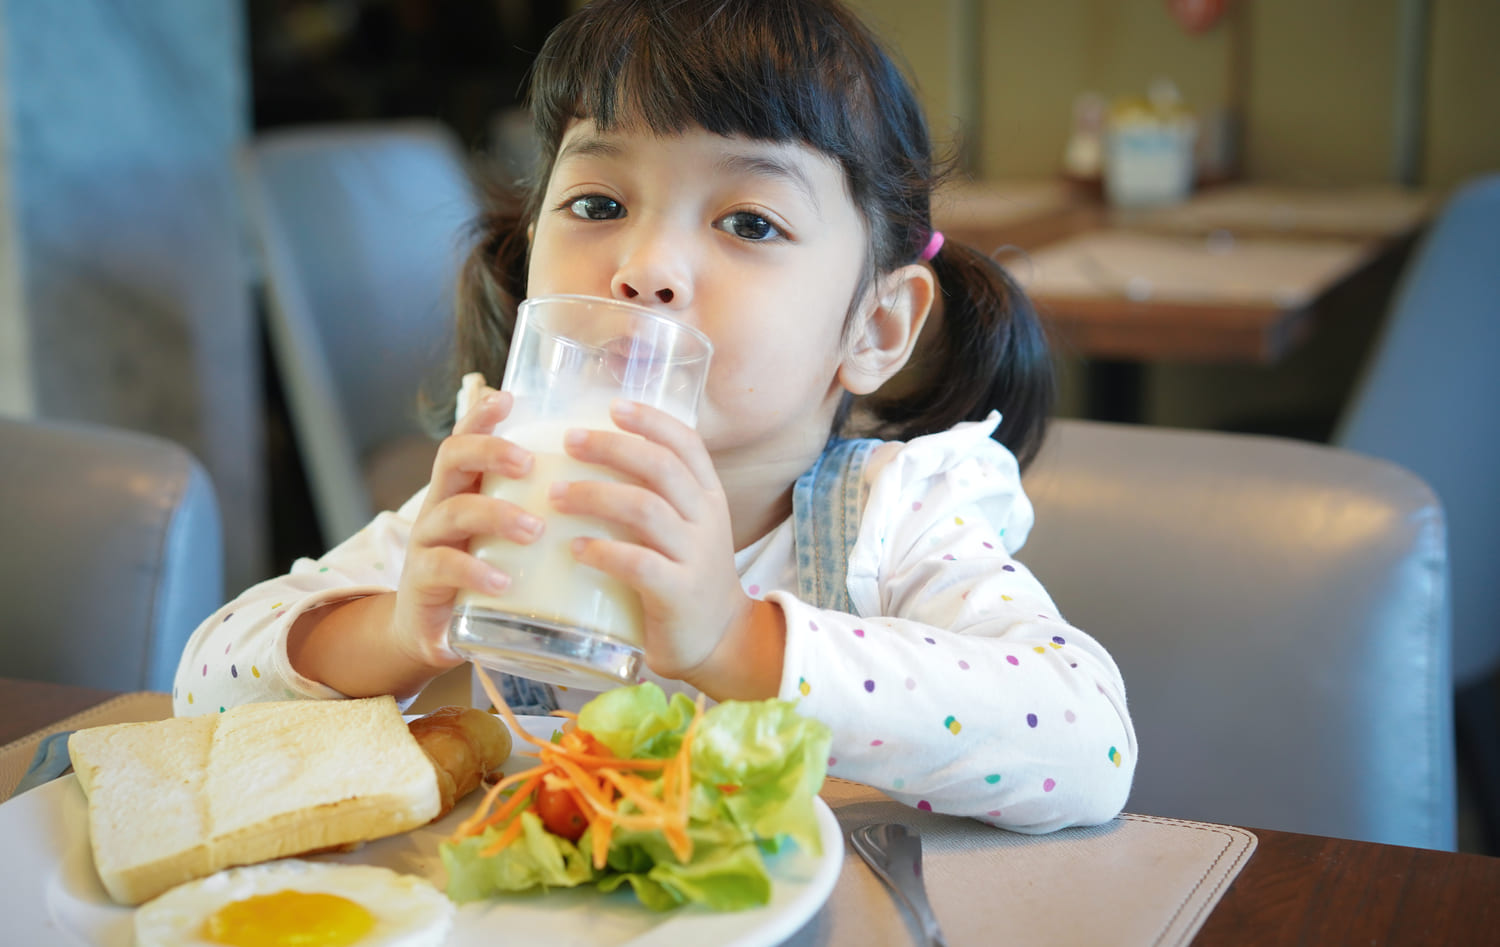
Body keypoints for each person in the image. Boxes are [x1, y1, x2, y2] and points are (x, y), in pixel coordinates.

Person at [177, 0, 1135, 833]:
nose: (645, 266)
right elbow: (200, 692)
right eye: (597, 201)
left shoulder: (891, 524)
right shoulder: (500, 506)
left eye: (749, 221)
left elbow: (1088, 748)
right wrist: (397, 630)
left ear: (877, 325)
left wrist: (735, 637)